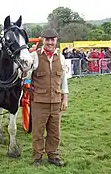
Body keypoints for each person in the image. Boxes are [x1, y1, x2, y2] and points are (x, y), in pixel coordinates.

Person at [28, 29, 69, 167]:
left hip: (56, 102)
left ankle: (53, 155)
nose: (50, 42)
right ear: (43, 40)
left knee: (54, 132)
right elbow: (26, 77)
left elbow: (63, 80)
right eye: (47, 39)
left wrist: (65, 98)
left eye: (53, 39)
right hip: (39, 101)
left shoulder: (61, 57)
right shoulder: (34, 56)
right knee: (38, 131)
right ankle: (37, 157)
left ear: (56, 40)